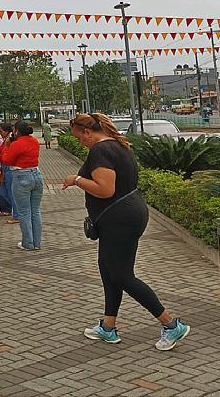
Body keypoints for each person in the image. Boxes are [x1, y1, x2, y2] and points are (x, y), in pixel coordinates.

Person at [65, 113, 190, 351]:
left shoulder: (100, 150)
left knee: (122, 275)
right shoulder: (118, 145)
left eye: (80, 138)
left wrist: (77, 179)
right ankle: (108, 326)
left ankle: (171, 324)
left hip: (119, 219)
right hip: (124, 215)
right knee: (108, 269)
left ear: (88, 132)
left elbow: (105, 189)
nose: (81, 142)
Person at [0, 121, 42, 250]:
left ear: (17, 131)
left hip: (21, 176)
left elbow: (6, 160)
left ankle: (27, 243)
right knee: (35, 211)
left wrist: (7, 146)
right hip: (36, 174)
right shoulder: (34, 141)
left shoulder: (17, 144)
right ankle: (36, 243)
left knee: (24, 212)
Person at [0, 123, 19, 225]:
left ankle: (17, 215)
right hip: (4, 167)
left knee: (11, 192)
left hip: (9, 167)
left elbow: (8, 154)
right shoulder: (5, 140)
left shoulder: (10, 141)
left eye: (1, 131)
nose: (0, 133)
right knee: (3, 191)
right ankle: (15, 209)